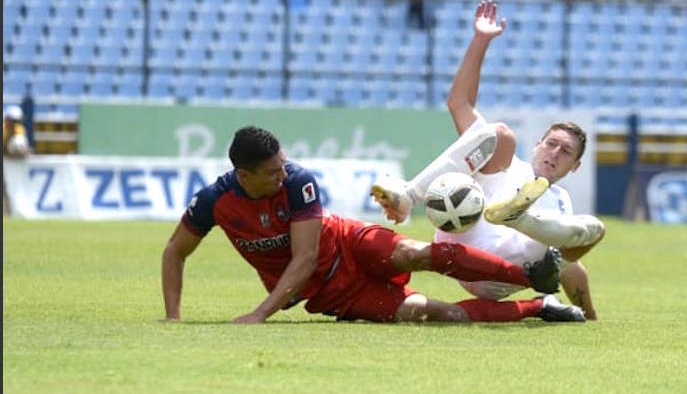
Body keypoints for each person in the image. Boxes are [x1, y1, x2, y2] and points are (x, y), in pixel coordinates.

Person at [161, 126, 584, 324]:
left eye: (282, 165)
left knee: (416, 253)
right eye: (271, 172)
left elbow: (306, 254)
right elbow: (174, 251)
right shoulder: (215, 201)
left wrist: (260, 314)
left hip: (347, 242)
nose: (281, 174)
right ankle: (538, 305)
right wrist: (173, 317)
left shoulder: (297, 181)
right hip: (330, 292)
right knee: (440, 315)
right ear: (243, 174)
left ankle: (529, 277)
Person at [373, 0, 606, 319]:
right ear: (537, 144)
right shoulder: (501, 162)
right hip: (463, 238)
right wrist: (480, 40)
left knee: (592, 229)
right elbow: (459, 102)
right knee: (499, 134)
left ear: (575, 166)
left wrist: (588, 315)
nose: (554, 153)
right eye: (551, 143)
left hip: (504, 272)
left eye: (565, 152)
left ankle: (520, 219)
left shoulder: (561, 200)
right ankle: (409, 196)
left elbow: (571, 268)